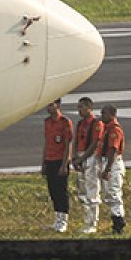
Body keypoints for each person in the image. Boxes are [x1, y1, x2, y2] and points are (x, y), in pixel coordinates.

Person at [71, 96, 104, 235]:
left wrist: (82, 158)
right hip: (80, 156)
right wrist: (74, 158)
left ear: (89, 108)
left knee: (92, 189)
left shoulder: (96, 123)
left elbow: (95, 143)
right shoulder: (80, 124)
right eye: (78, 107)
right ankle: (86, 219)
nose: (79, 110)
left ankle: (92, 222)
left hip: (91, 157)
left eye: (81, 107)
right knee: (82, 190)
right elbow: (76, 140)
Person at [40, 98, 73, 233]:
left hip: (60, 160)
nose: (49, 108)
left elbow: (68, 144)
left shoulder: (65, 122)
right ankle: (57, 218)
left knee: (61, 191)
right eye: (47, 105)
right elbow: (47, 143)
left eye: (51, 105)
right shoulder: (47, 122)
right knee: (52, 191)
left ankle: (63, 220)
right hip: (50, 159)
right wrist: (43, 163)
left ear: (58, 105)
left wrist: (65, 164)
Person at [98, 105, 127, 234]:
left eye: (104, 113)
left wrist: (108, 169)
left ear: (112, 114)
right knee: (108, 193)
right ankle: (116, 219)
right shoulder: (106, 129)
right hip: (108, 162)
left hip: (113, 164)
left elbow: (113, 150)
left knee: (114, 193)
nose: (101, 115)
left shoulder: (114, 130)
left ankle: (118, 222)